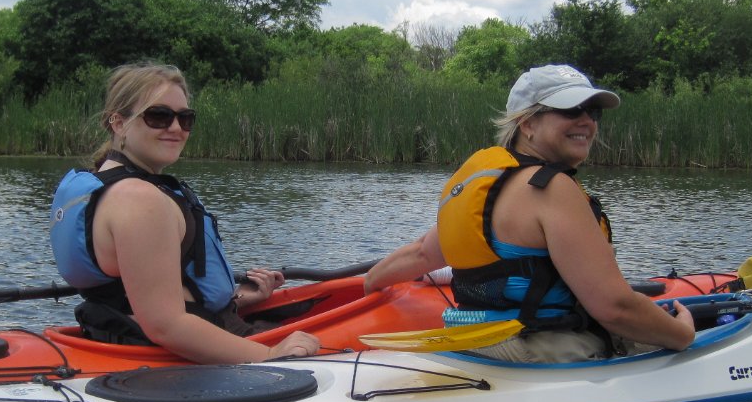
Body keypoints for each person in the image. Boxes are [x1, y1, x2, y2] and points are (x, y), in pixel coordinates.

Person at [364, 64, 694, 363]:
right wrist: (683, 334)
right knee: (686, 341)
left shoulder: (486, 187)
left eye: (593, 112)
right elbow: (614, 308)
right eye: (570, 109)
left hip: (470, 341)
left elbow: (423, 253)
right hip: (530, 348)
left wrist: (370, 282)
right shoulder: (553, 190)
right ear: (527, 123)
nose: (587, 121)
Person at [49, 62, 319, 363]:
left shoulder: (105, 183)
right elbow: (166, 325)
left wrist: (235, 299)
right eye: (158, 116)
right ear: (119, 123)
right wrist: (271, 354)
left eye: (185, 118)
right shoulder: (140, 201)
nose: (176, 128)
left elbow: (141, 294)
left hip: (140, 332)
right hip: (176, 355)